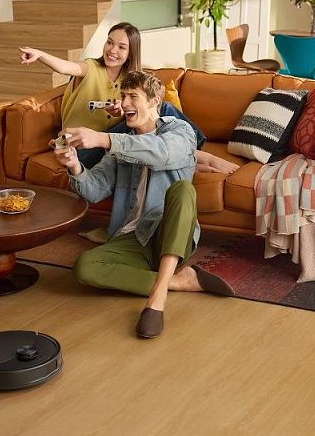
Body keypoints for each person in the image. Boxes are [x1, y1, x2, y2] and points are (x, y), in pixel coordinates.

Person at [52, 70, 234, 339]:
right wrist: (75, 165)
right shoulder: (121, 144)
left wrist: (103, 139)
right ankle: (180, 281)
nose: (124, 103)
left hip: (168, 233)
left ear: (154, 101)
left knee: (183, 191)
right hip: (132, 237)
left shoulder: (180, 131)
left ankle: (157, 298)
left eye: (133, 96)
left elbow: (161, 153)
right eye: (123, 96)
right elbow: (95, 190)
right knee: (85, 267)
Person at [19, 21, 239, 174]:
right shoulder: (90, 68)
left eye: (121, 47)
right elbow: (65, 67)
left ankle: (188, 157)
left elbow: (139, 120)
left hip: (113, 145)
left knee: (157, 109)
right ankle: (197, 155)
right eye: (109, 42)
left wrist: (121, 111)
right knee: (159, 111)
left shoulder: (130, 80)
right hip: (82, 149)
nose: (112, 50)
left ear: (130, 52)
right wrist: (40, 55)